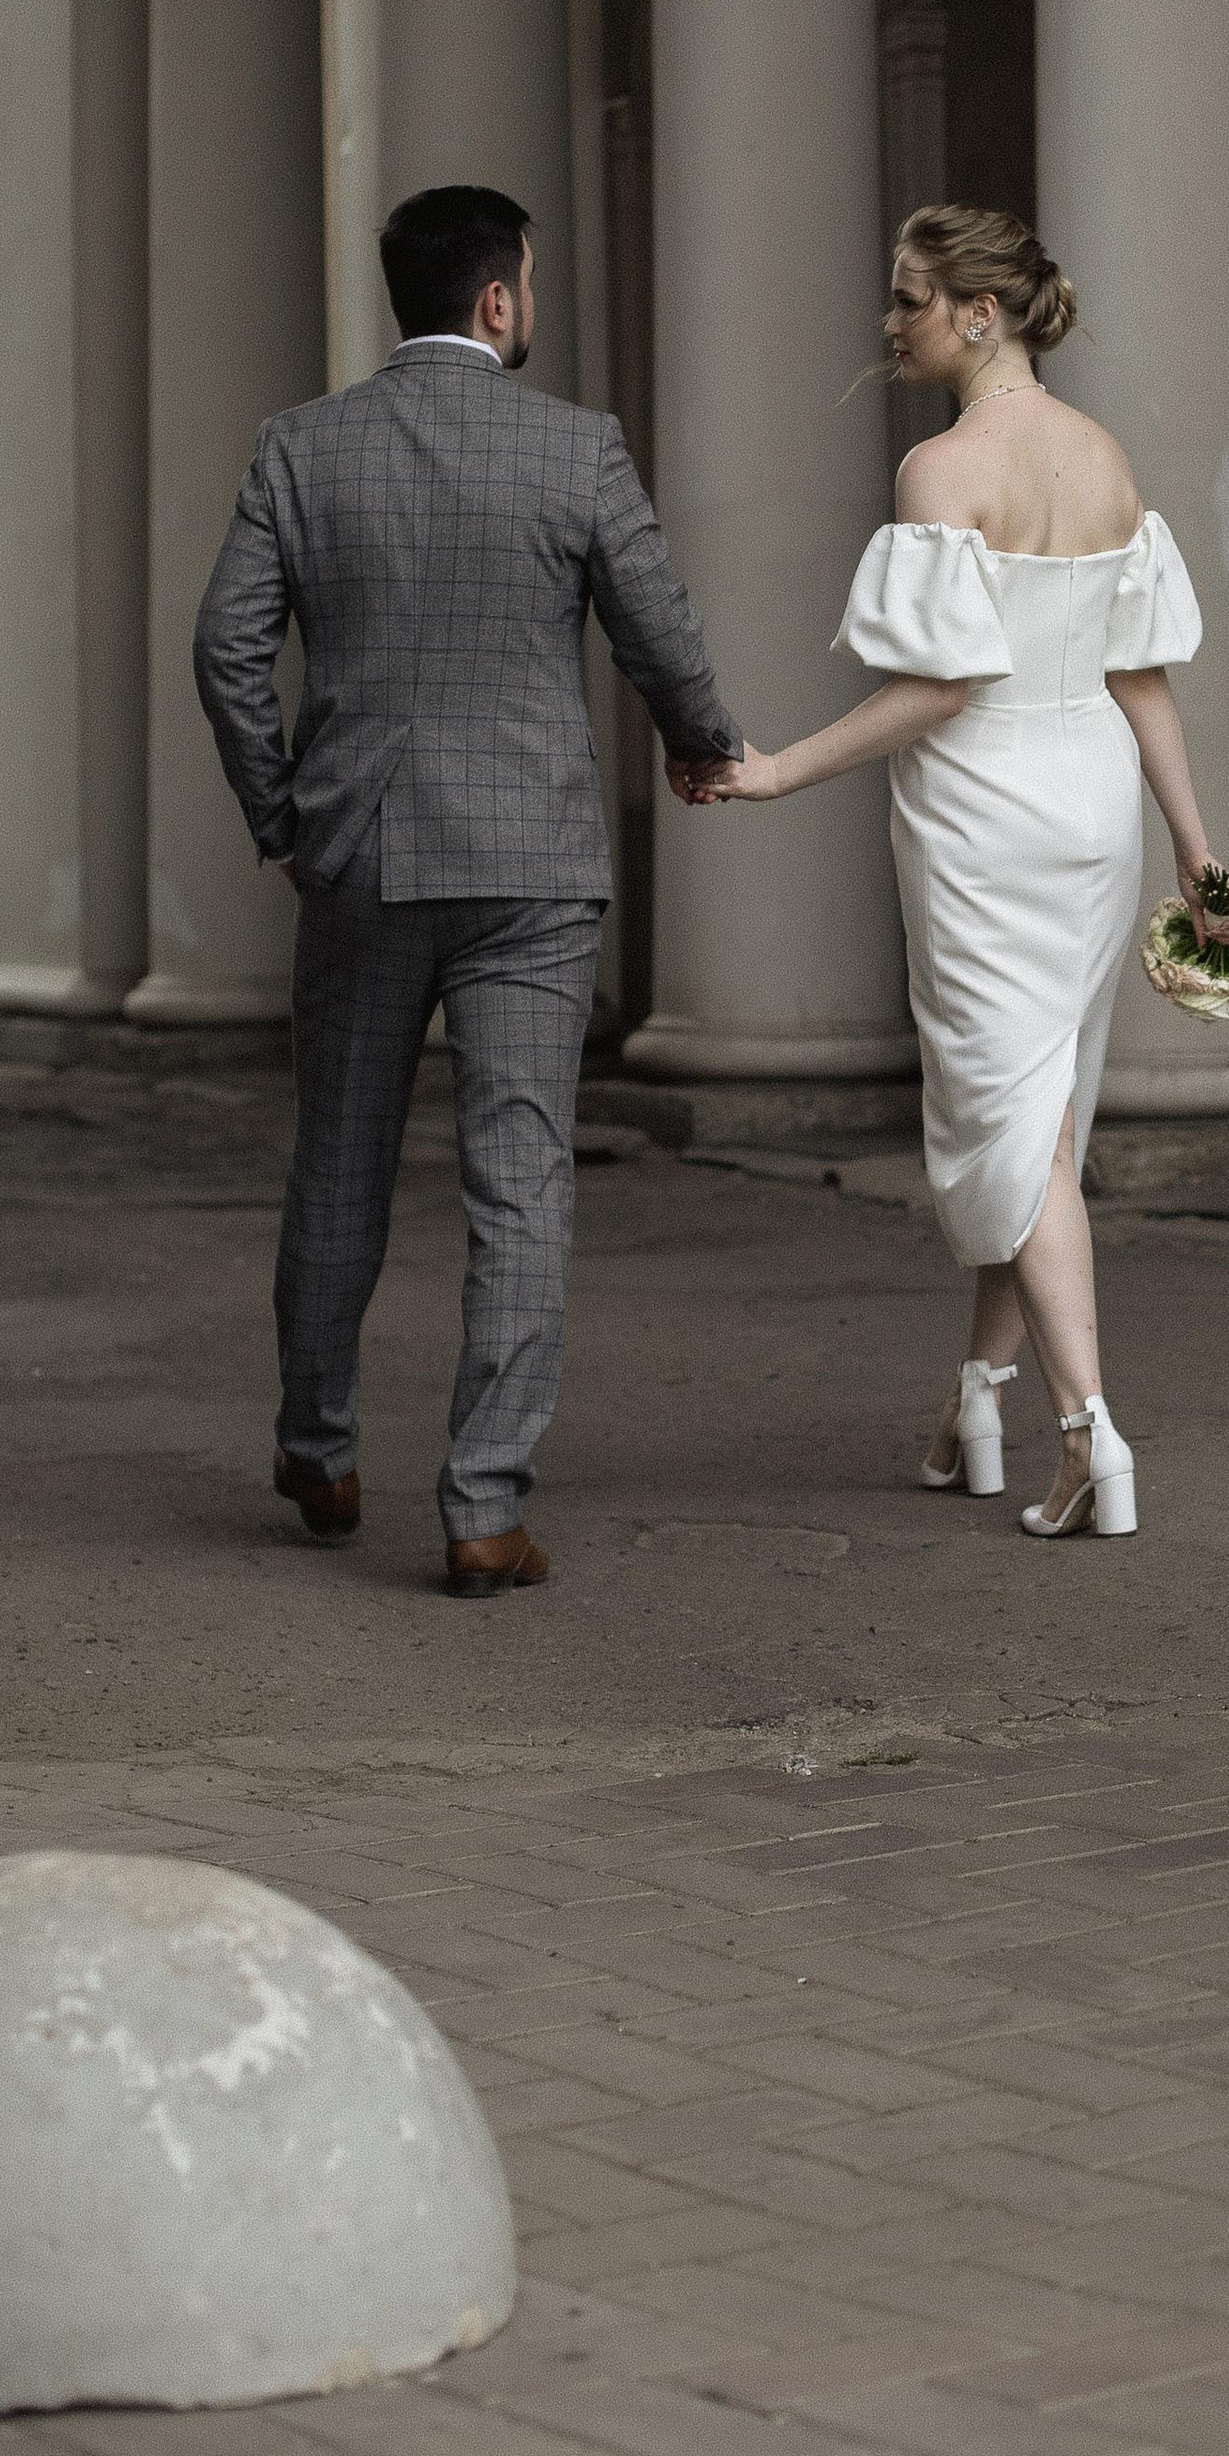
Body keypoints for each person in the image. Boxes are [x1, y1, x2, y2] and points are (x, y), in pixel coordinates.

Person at [193, 183, 739, 1597]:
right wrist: (700, 744)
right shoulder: (577, 450)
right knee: (519, 1176)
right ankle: (485, 1507)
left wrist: (284, 811)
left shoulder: (300, 448)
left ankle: (319, 1449)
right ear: (501, 298)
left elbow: (225, 652)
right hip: (530, 867)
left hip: (359, 855)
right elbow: (659, 631)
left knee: (341, 1161)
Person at [685, 206, 1215, 1541]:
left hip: (987, 811)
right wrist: (1198, 847)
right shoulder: (1104, 457)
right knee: (1032, 1122)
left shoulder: (942, 471)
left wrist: (778, 770)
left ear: (983, 315)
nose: (893, 320)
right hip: (1093, 806)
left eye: (912, 298)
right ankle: (977, 1395)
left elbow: (941, 686)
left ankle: (1090, 1431)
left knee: (1010, 1118)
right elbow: (1137, 676)